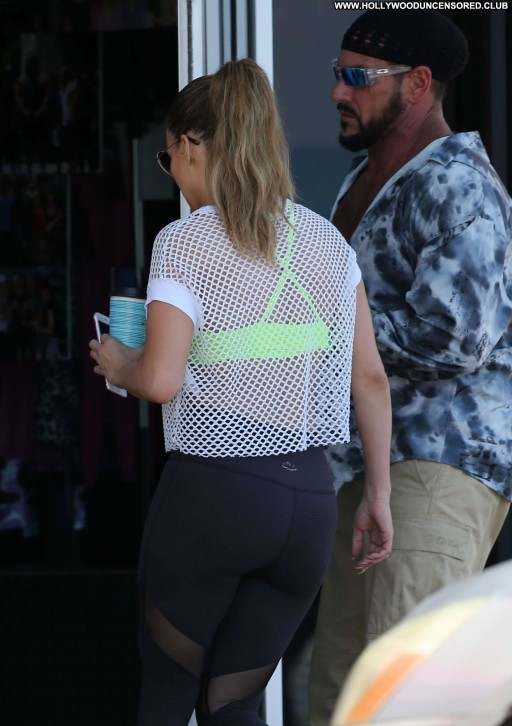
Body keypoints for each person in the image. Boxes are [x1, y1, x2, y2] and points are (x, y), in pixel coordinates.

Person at [89, 58, 393, 726]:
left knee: (168, 696)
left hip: (216, 495)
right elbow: (369, 378)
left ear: (193, 146)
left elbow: (161, 379)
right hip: (308, 504)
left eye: (170, 158)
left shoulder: (184, 243)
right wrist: (378, 494)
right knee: (235, 704)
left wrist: (117, 363)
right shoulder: (326, 241)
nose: (175, 174)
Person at [308, 10, 512, 726]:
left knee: (406, 701)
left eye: (356, 77)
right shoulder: (363, 180)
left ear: (418, 84)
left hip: (436, 469)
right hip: (368, 470)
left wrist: (326, 327)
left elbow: (459, 338)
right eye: (338, 74)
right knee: (340, 691)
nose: (338, 92)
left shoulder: (459, 184)